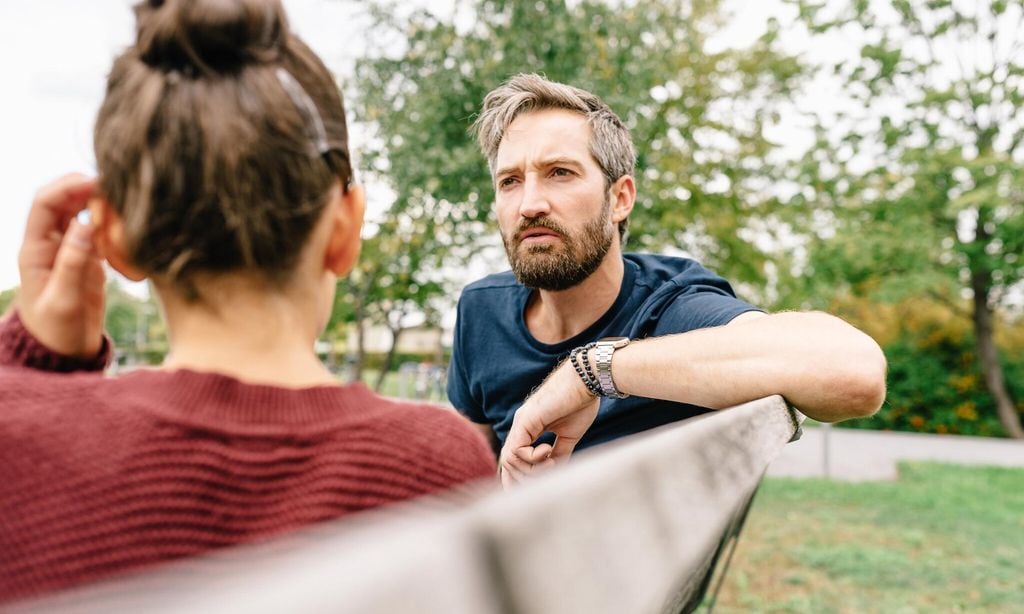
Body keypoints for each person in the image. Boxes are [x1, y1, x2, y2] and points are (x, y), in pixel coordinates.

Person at [0, 0, 495, 603]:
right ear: (345, 230)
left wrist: (34, 352)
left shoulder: (18, 443)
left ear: (113, 239)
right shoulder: (439, 468)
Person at [446, 74, 887, 486]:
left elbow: (855, 373)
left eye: (560, 172)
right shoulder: (480, 311)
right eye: (510, 181)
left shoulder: (672, 307)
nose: (529, 204)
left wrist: (590, 373)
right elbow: (467, 473)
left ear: (620, 199)